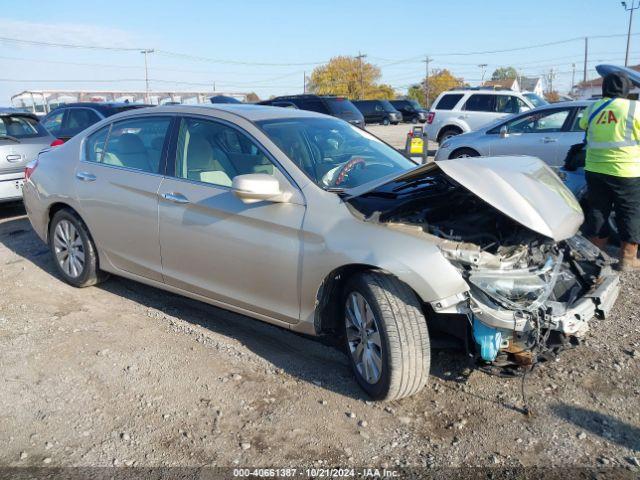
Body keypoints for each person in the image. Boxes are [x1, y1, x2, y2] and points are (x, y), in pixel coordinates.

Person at [580, 71, 640, 271]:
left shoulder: (593, 108)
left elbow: (583, 125)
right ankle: (627, 260)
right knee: (629, 213)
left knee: (598, 210)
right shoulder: (635, 108)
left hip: (595, 169)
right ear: (626, 89)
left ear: (604, 88)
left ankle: (594, 256)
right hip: (626, 170)